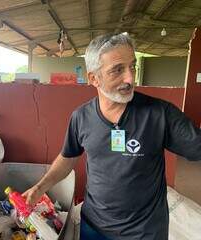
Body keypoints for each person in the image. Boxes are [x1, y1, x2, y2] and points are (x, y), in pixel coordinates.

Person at [22, 32, 201, 239]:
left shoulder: (160, 114)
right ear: (93, 78)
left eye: (132, 66)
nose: (130, 78)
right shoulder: (81, 117)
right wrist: (40, 187)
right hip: (94, 227)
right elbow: (68, 157)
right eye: (118, 70)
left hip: (144, 233)